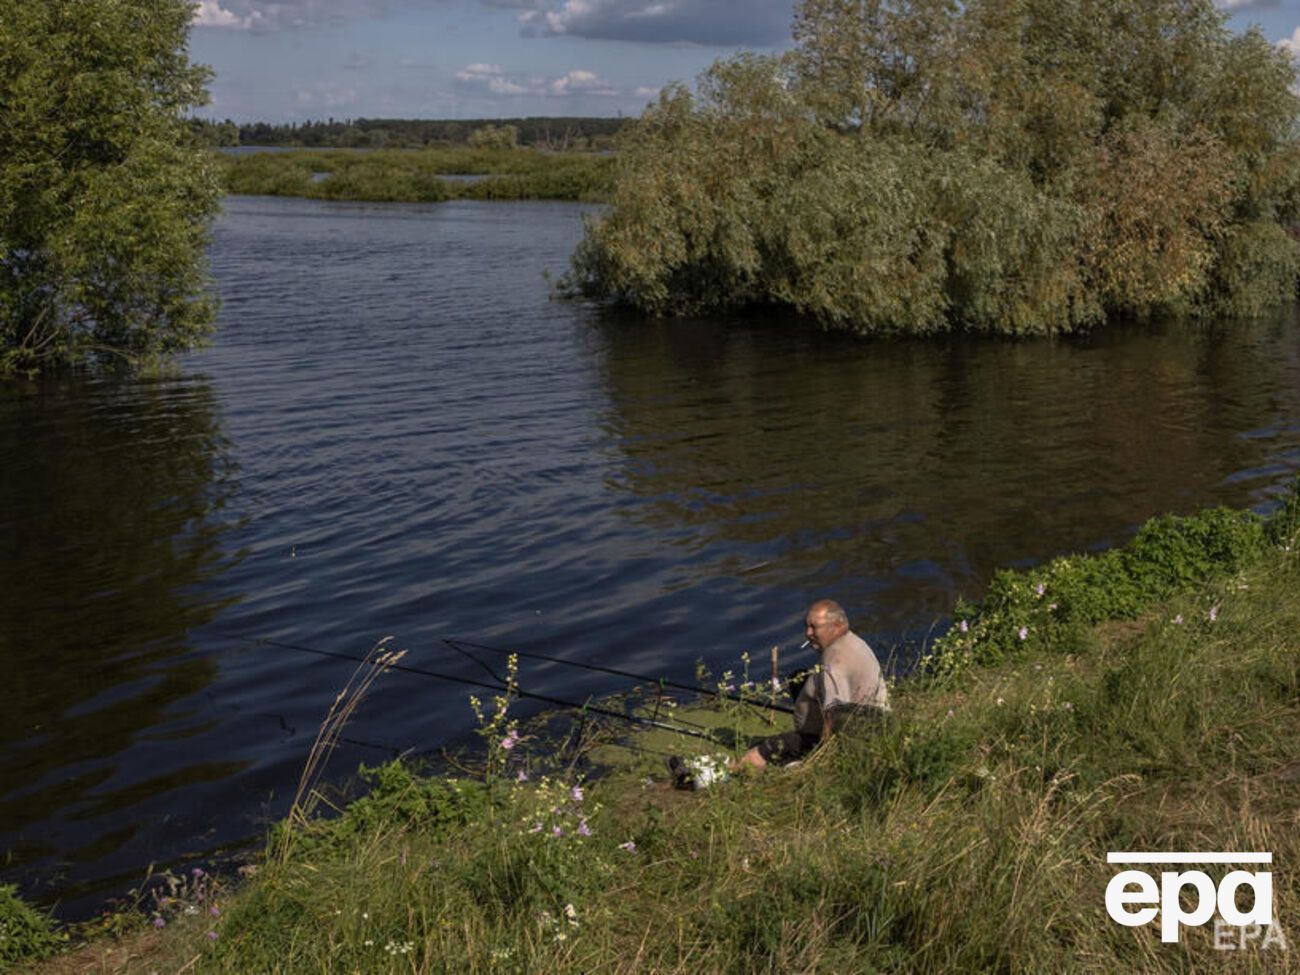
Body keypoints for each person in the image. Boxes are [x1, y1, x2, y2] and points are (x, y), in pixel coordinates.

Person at [669, 599, 890, 786]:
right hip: (874, 724)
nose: (808, 633)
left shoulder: (835, 663)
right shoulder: (852, 642)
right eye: (807, 626)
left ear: (838, 625)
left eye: (814, 627)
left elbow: (835, 713)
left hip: (849, 737)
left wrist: (819, 757)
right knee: (800, 678)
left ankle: (710, 774)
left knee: (764, 750)